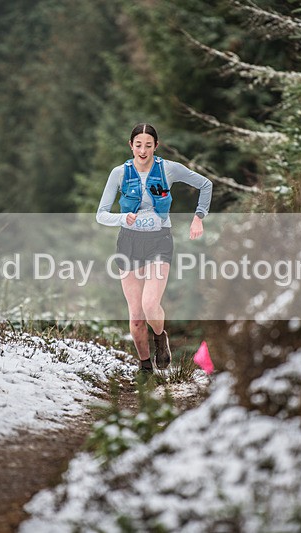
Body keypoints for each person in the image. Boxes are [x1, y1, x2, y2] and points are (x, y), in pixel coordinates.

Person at [97, 123, 213, 374]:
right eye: (138, 145)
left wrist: (198, 216)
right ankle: (145, 368)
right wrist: (122, 218)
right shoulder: (119, 173)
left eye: (148, 145)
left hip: (159, 241)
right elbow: (101, 214)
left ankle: (160, 337)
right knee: (137, 317)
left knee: (150, 304)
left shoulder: (168, 169)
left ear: (156, 146)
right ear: (131, 145)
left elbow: (205, 184)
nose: (143, 151)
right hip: (128, 243)